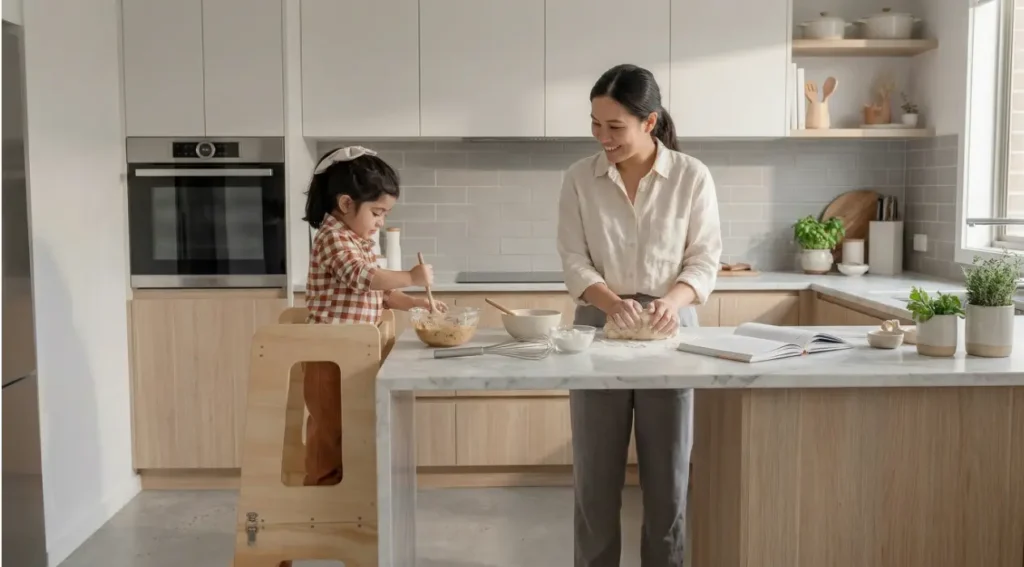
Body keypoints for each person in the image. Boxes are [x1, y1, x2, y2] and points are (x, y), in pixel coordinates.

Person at [556, 64, 723, 567]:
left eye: (615, 127)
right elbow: (573, 259)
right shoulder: (579, 178)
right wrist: (611, 302)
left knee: (668, 483)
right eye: (595, 124)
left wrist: (670, 303)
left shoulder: (692, 176)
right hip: (596, 332)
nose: (602, 137)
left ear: (649, 123)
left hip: (671, 336)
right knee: (595, 484)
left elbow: (704, 257)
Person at [301, 146, 446, 487]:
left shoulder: (358, 239)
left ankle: (348, 491)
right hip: (328, 356)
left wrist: (417, 304)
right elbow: (362, 277)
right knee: (329, 426)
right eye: (378, 213)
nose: (382, 222)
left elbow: (378, 294)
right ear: (346, 203)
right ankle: (321, 489)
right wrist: (411, 277)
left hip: (353, 353)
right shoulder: (332, 237)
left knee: (350, 425)